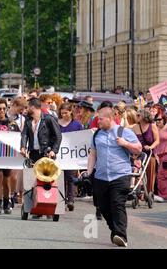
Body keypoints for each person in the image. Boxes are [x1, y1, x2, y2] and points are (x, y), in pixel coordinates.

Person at [87, 105, 142, 247]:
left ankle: (121, 236)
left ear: (110, 118)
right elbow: (93, 154)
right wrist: (88, 173)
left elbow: (139, 148)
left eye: (100, 119)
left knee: (117, 204)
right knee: (103, 207)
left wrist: (125, 143)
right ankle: (115, 231)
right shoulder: (97, 134)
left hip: (120, 175)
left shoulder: (124, 132)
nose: (97, 121)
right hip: (101, 176)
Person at [58, 103, 83, 211]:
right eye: (62, 113)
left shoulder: (76, 125)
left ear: (70, 112)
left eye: (66, 113)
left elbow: (81, 139)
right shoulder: (57, 123)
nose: (64, 115)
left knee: (71, 177)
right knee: (60, 177)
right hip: (59, 154)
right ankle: (62, 199)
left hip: (71, 154)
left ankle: (70, 200)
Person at [20, 98, 62, 163]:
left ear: (32, 107)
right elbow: (24, 134)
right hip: (33, 154)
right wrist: (23, 147)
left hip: (46, 154)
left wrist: (53, 151)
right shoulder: (28, 120)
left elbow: (58, 136)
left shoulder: (49, 119)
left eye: (27, 107)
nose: (26, 110)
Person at [131, 109, 160, 196]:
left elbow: (157, 141)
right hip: (139, 154)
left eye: (138, 115)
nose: (136, 117)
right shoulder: (135, 127)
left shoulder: (152, 126)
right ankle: (136, 191)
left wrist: (150, 147)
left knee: (149, 174)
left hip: (150, 153)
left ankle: (148, 193)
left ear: (144, 116)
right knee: (137, 172)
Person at [154, 112, 167, 202]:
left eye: (159, 119)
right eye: (156, 119)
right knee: (160, 175)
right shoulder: (155, 128)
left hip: (166, 154)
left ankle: (163, 196)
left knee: (162, 175)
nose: (157, 121)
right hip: (158, 154)